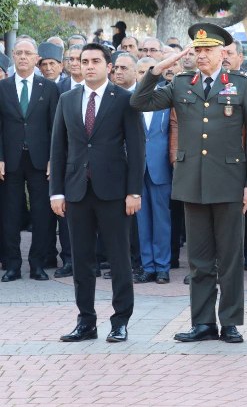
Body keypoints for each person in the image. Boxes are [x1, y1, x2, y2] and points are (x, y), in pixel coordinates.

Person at [131, 24, 247, 343]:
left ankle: (230, 322)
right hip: (193, 182)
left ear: (223, 53)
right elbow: (139, 102)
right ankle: (203, 322)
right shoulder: (179, 84)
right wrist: (157, 69)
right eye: (198, 50)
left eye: (208, 50)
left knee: (230, 258)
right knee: (200, 259)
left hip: (230, 181)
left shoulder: (241, 84)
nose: (202, 55)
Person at [50, 43, 145, 342]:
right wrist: (56, 193)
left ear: (109, 66)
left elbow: (137, 148)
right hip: (77, 191)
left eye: (95, 61)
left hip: (114, 192)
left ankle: (120, 321)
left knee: (119, 259)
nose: (88, 66)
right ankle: (86, 321)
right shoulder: (67, 99)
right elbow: (58, 147)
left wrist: (134, 192)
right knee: (81, 260)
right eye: (83, 61)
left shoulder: (124, 100)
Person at [0, 39, 60, 282]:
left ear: (37, 59)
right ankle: (13, 265)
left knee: (42, 214)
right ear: (13, 56)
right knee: (10, 213)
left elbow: (55, 128)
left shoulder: (48, 88)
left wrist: (53, 160)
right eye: (19, 53)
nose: (23, 57)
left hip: (40, 160)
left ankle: (38, 264)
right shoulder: (2, 88)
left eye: (28, 53)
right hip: (11, 161)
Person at [134, 93, 172, 284]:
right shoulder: (133, 103)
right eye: (140, 72)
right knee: (142, 222)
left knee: (161, 220)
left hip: (161, 168)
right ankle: (148, 266)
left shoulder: (166, 102)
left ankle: (163, 267)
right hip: (137, 170)